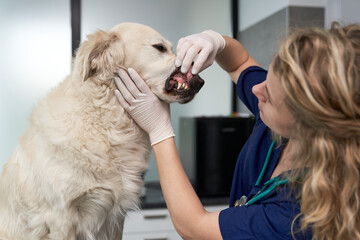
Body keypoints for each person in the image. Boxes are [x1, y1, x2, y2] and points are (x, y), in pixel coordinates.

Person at [114, 22, 360, 240]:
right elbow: (240, 62)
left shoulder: (296, 215)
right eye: (267, 77)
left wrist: (160, 131)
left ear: (309, 124)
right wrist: (216, 43)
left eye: (270, 96)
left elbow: (194, 228)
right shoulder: (277, 116)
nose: (256, 91)